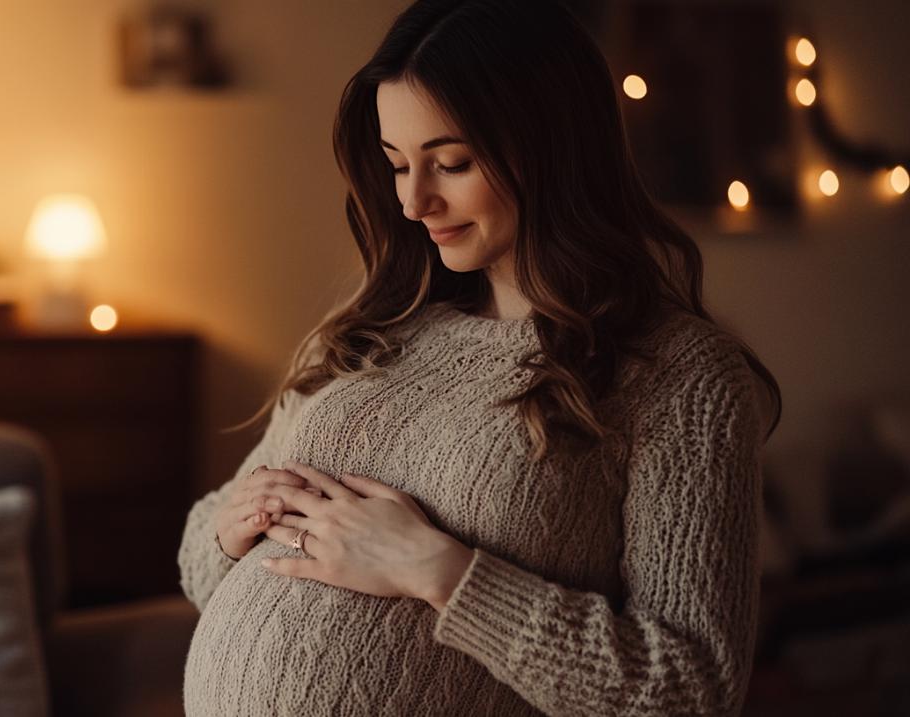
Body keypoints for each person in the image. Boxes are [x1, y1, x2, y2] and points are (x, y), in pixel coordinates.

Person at [178, 0, 783, 714]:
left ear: (552, 148)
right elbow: (201, 565)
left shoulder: (678, 374)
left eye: (452, 163)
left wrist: (440, 571)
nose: (414, 202)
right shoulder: (367, 333)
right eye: (397, 164)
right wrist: (230, 529)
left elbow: (689, 688)